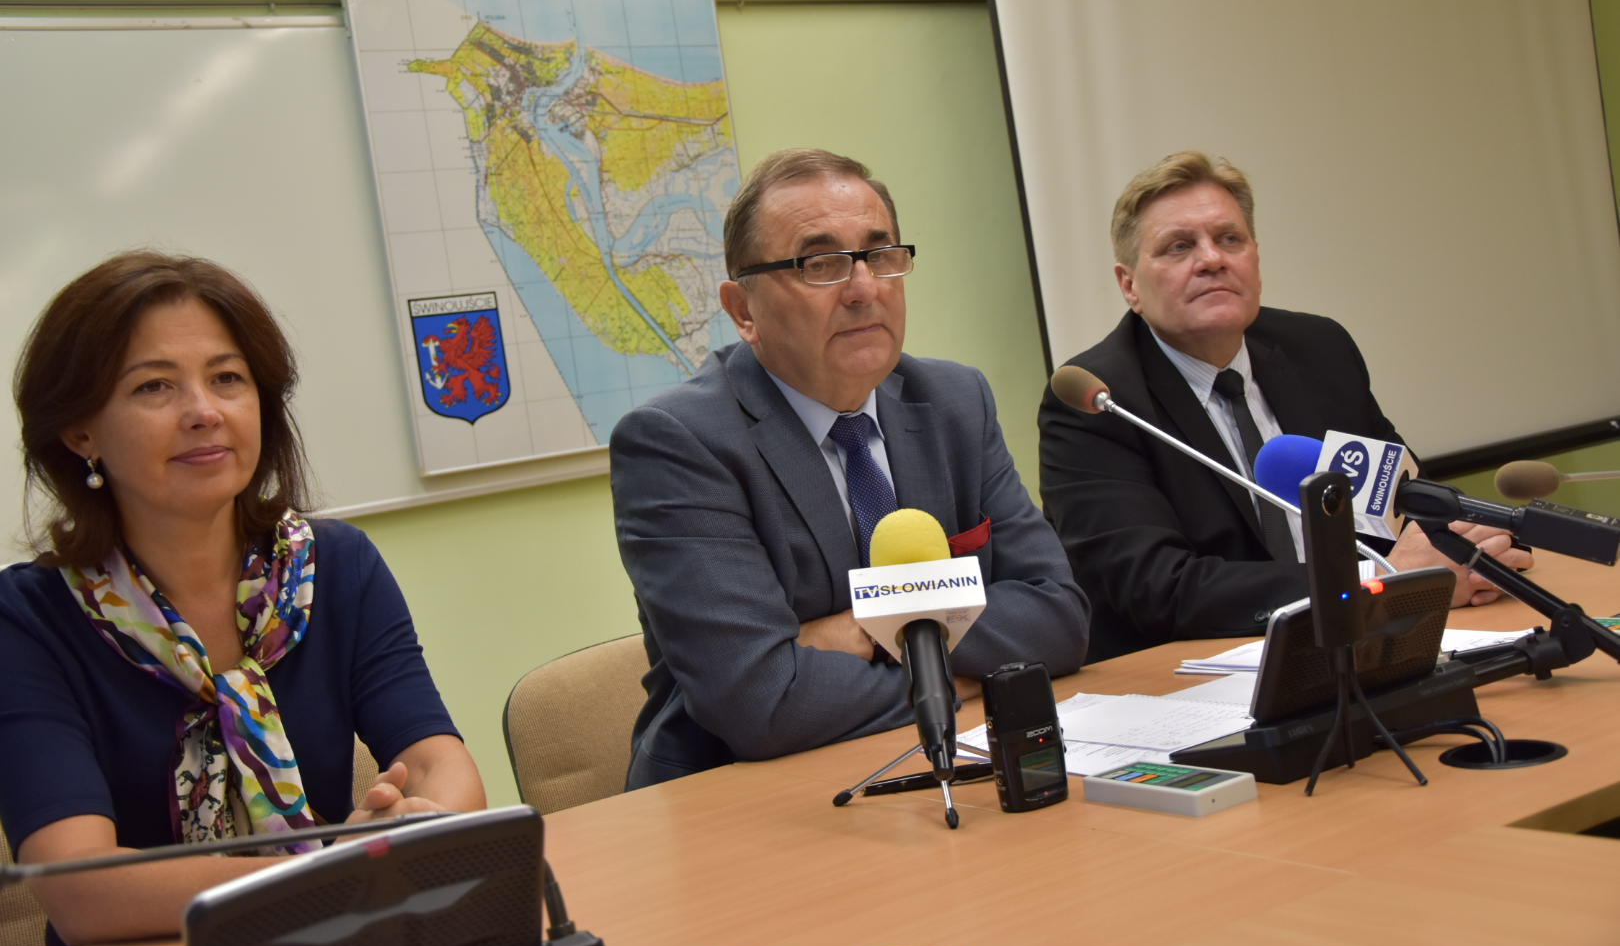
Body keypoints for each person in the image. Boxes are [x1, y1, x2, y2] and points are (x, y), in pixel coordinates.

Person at [0, 251, 485, 946]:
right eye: (154, 387)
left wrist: (414, 822)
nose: (205, 412)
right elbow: (80, 887)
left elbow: (441, 764)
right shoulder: (28, 618)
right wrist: (334, 874)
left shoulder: (334, 567)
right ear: (80, 432)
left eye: (227, 378)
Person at [611, 148, 1090, 788]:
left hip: (940, 762)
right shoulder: (678, 443)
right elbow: (763, 700)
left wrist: (865, 626)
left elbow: (1058, 618)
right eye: (821, 264)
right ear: (743, 310)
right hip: (745, 796)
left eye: (880, 255)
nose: (865, 289)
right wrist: (957, 674)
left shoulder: (954, 402)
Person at [1038, 151, 1532, 661]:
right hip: (1194, 670)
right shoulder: (1098, 402)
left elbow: (1401, 503)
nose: (1212, 259)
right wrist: (1374, 582)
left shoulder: (1318, 349)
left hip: (1365, 645)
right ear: (1129, 285)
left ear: (1255, 258)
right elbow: (1157, 589)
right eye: (1179, 246)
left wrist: (1471, 547)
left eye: (1229, 239)